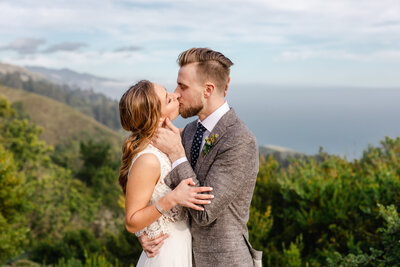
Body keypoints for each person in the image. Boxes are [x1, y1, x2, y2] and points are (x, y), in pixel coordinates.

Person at [141, 48, 263, 266]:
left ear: (207, 90)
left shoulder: (239, 140)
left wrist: (177, 154)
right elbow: (150, 178)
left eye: (183, 86)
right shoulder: (189, 131)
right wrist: (145, 230)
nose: (176, 93)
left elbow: (204, 213)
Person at [118, 80, 214, 267]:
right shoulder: (148, 159)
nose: (176, 95)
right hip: (166, 254)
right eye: (168, 99)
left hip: (184, 249)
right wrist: (173, 198)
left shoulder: (172, 143)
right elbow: (131, 221)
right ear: (156, 117)